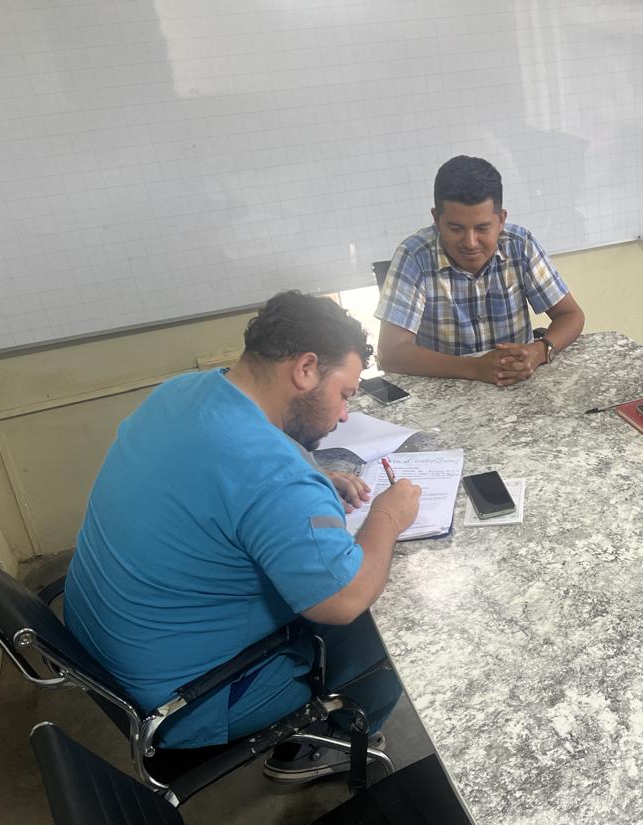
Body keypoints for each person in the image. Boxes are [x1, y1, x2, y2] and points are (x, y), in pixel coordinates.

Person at [65, 291, 423, 783]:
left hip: (104, 651)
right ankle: (329, 744)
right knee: (392, 610)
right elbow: (343, 601)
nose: (344, 415)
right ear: (305, 369)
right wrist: (387, 515)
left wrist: (313, 478)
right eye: (345, 394)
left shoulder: (180, 394)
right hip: (184, 702)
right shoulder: (276, 477)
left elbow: (228, 478)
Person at [375, 155, 585, 386]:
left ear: (501, 220)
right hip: (445, 387)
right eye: (456, 228)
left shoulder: (519, 244)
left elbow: (571, 315)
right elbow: (390, 353)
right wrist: (474, 367)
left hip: (518, 383)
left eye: (483, 228)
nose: (470, 242)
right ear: (436, 219)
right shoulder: (414, 256)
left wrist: (540, 351)